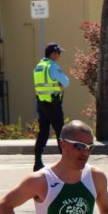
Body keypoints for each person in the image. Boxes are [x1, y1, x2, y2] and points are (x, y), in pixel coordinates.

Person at [32, 43, 69, 171]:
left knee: (43, 133)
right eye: (59, 53)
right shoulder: (52, 67)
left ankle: (37, 162)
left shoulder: (38, 67)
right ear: (53, 53)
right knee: (61, 132)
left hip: (41, 104)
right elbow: (65, 82)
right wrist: (58, 85)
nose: (59, 56)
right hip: (53, 104)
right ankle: (65, 162)